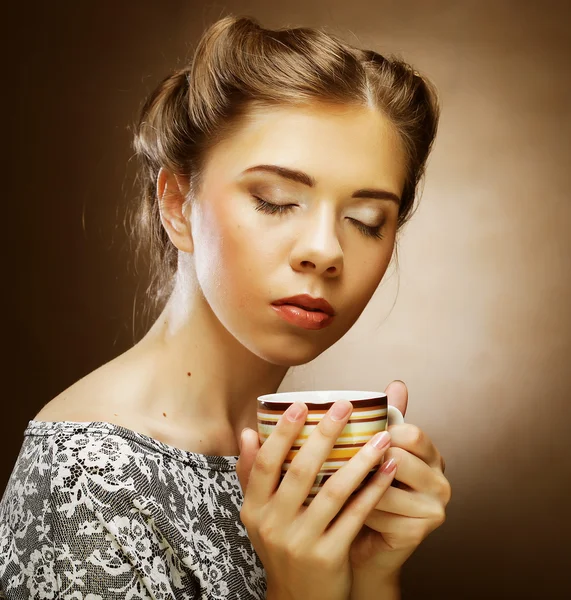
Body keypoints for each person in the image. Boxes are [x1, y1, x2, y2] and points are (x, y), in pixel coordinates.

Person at [0, 14, 451, 600]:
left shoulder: (298, 457)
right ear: (178, 203)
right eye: (275, 200)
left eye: (366, 220)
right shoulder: (89, 489)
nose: (324, 250)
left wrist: (373, 573)